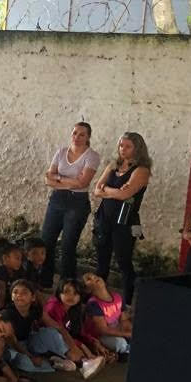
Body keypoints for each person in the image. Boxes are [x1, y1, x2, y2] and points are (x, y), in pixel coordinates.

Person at [91, 132, 151, 304]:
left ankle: (127, 302)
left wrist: (107, 189)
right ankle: (98, 298)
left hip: (124, 221)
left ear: (137, 149)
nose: (123, 149)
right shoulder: (113, 165)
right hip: (105, 218)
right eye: (121, 145)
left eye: (128, 146)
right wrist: (114, 191)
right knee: (101, 261)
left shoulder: (141, 170)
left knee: (123, 262)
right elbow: (96, 190)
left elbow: (125, 194)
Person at [39, 122, 101, 284]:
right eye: (74, 133)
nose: (77, 137)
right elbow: (47, 178)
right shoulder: (61, 152)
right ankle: (45, 280)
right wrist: (69, 182)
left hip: (77, 202)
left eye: (82, 135)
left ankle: (67, 284)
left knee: (68, 245)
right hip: (57, 198)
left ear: (88, 137)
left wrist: (58, 179)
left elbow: (83, 183)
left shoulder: (92, 156)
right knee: (46, 241)